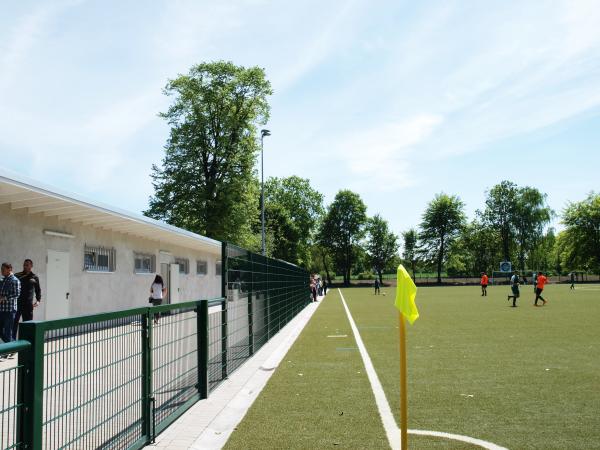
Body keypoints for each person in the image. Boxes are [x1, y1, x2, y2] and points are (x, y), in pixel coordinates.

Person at [13, 259, 42, 340]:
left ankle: (27, 344)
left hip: (28, 306)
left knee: (28, 325)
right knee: (14, 325)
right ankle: (12, 345)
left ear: (31, 266)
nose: (25, 266)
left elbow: (38, 290)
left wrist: (38, 300)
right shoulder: (17, 275)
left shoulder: (34, 277)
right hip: (17, 304)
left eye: (27, 265)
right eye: (24, 265)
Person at [0, 263, 21, 358]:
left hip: (10, 310)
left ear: (10, 269)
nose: (1, 271)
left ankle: (7, 350)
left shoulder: (15, 280)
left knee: (8, 331)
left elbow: (16, 294)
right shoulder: (3, 280)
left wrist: (4, 298)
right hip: (2, 309)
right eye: (1, 269)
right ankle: (13, 346)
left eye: (3, 269)